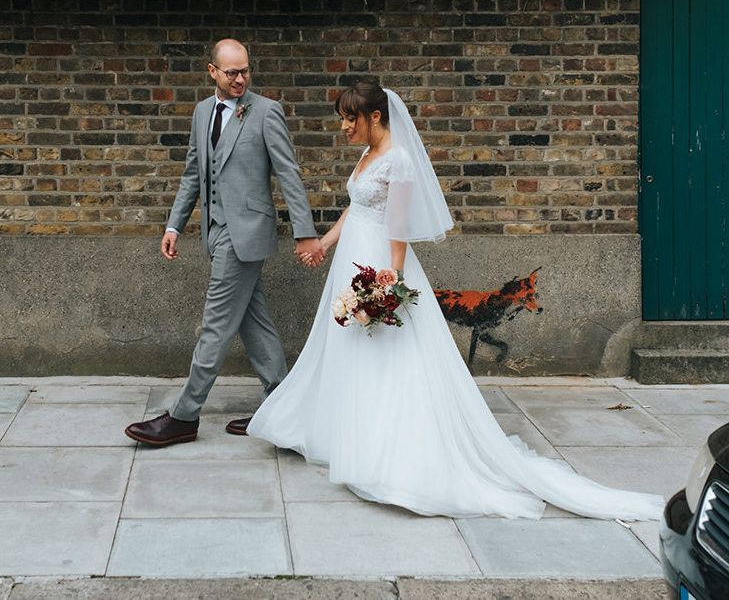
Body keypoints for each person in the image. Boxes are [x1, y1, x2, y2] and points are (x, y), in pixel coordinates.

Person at [246, 81, 664, 520]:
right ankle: (346, 435)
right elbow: (356, 207)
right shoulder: (369, 155)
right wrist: (325, 244)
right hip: (351, 258)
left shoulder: (400, 161)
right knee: (351, 349)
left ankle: (387, 447)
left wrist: (391, 282)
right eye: (342, 119)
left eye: (351, 119)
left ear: (375, 117)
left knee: (387, 355)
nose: (345, 127)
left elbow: (399, 226)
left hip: (379, 264)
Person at [125, 39, 324, 446]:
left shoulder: (266, 112)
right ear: (212, 71)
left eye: (245, 71)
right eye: (231, 72)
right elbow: (192, 174)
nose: (240, 79)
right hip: (215, 231)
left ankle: (184, 415)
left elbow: (289, 173)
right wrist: (174, 225)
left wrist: (305, 232)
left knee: (215, 325)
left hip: (246, 231)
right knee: (254, 322)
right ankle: (282, 405)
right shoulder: (202, 112)